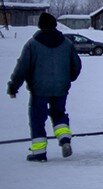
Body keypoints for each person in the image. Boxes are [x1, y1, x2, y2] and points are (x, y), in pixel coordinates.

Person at [7, 12, 82, 162]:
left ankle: (39, 153)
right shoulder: (67, 43)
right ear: (55, 25)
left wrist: (13, 87)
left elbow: (22, 68)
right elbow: (77, 65)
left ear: (40, 26)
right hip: (61, 88)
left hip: (39, 90)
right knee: (59, 114)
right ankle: (65, 140)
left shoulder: (32, 44)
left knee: (37, 119)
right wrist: (68, 78)